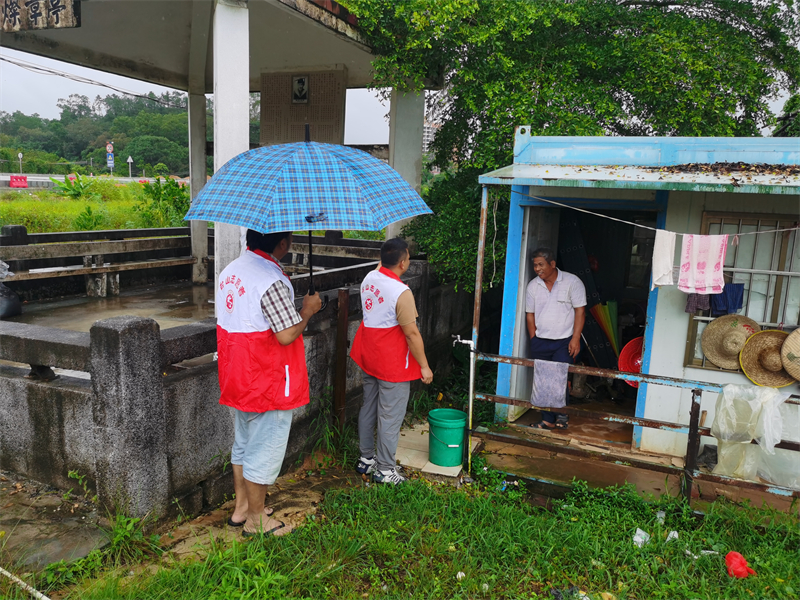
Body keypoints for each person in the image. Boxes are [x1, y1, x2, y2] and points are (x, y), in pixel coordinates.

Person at [217, 229, 322, 536]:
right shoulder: (270, 279)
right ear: (282, 243)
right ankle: (255, 520)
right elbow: (286, 333)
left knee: (244, 443)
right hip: (267, 377)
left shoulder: (231, 271)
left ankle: (242, 509)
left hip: (237, 372)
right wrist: (307, 311)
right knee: (264, 449)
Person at [350, 238, 434, 485]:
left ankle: (366, 458)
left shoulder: (370, 278)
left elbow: (381, 266)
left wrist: (387, 256)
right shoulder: (401, 292)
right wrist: (425, 366)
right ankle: (385, 469)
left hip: (369, 355)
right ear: (404, 262)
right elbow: (411, 333)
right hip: (391, 362)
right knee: (390, 416)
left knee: (368, 407)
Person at [526, 247, 586, 430]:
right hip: (541, 340)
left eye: (541, 264)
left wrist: (575, 339)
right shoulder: (533, 286)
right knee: (543, 380)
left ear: (552, 264)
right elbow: (530, 315)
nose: (537, 269)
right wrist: (534, 338)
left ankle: (561, 415)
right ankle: (547, 419)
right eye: (535, 265)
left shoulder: (572, 282)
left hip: (564, 341)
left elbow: (580, 311)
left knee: (559, 378)